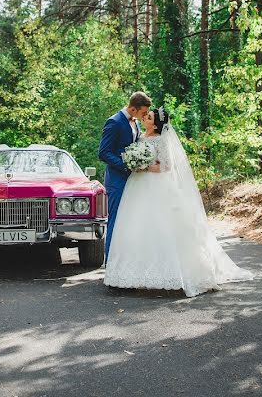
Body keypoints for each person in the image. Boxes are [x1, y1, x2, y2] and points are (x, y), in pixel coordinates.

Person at [104, 107, 252, 296]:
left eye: (148, 117)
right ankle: (130, 275)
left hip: (155, 186)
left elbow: (166, 166)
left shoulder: (161, 140)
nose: (144, 118)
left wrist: (145, 166)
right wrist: (134, 163)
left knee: (161, 227)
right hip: (136, 186)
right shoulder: (139, 137)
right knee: (135, 226)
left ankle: (173, 274)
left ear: (155, 124)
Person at [98, 91, 152, 258]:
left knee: (128, 221)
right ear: (133, 108)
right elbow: (103, 153)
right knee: (115, 220)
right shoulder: (114, 122)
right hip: (116, 180)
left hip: (132, 180)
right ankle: (111, 265)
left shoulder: (134, 122)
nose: (145, 116)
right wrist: (126, 165)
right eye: (143, 112)